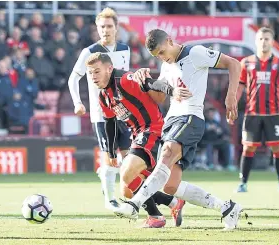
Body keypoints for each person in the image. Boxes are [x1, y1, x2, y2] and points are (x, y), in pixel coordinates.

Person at [113, 29, 243, 230]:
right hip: (171, 122)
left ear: (170, 41)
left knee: (165, 155)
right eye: (157, 56)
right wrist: (145, 82)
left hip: (190, 117)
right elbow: (160, 99)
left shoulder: (195, 53)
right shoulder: (165, 66)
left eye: (163, 52)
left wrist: (231, 95)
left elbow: (233, 63)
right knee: (170, 185)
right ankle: (227, 208)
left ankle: (134, 204)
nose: (162, 57)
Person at [86, 52, 190, 228]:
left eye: (97, 71)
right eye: (90, 73)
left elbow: (150, 83)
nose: (93, 77)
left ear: (109, 68)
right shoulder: (104, 96)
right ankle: (173, 202)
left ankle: (156, 217)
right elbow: (110, 123)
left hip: (154, 129)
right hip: (138, 135)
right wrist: (112, 152)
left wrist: (172, 91)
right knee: (127, 190)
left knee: (127, 174)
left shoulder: (124, 79)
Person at [68, 8, 131, 210]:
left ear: (116, 27)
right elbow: (73, 78)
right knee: (110, 156)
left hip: (124, 112)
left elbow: (124, 81)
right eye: (102, 26)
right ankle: (110, 198)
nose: (105, 30)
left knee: (129, 157)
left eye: (109, 26)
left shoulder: (124, 49)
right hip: (102, 114)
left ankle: (130, 194)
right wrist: (78, 102)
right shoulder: (90, 52)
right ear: (97, 28)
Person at [232, 27, 279, 193]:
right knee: (248, 148)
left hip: (274, 114)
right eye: (261, 38)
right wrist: (232, 107)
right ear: (256, 41)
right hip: (252, 114)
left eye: (267, 39)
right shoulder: (246, 63)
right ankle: (243, 183)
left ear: (272, 42)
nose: (264, 42)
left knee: (278, 148)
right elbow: (239, 88)